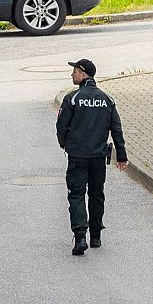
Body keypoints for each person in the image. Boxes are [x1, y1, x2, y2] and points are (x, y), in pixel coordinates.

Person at [55, 59, 128, 256]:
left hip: (78, 156)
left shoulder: (72, 98)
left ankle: (80, 237)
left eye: (74, 72)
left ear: (82, 73)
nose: (72, 75)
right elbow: (117, 129)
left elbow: (61, 126)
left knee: (77, 194)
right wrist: (121, 155)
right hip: (98, 157)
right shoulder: (107, 99)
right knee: (97, 194)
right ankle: (95, 236)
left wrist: (64, 143)